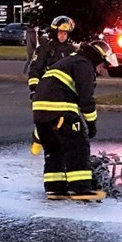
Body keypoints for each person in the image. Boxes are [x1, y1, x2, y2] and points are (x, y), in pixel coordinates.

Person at [33, 39, 118, 201]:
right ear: (98, 58)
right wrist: (91, 125)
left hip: (40, 112)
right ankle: (81, 189)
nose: (102, 70)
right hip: (60, 110)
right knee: (78, 147)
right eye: (103, 65)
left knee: (54, 150)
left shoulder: (69, 61)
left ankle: (55, 189)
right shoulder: (84, 65)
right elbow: (86, 99)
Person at [26, 16, 79, 154]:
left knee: (64, 119)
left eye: (65, 33)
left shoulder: (71, 51)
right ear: (55, 32)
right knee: (46, 118)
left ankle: (60, 147)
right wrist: (34, 89)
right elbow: (35, 69)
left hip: (65, 92)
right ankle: (37, 142)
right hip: (46, 90)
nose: (63, 36)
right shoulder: (45, 48)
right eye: (60, 32)